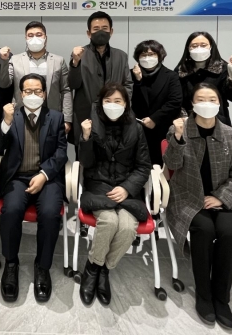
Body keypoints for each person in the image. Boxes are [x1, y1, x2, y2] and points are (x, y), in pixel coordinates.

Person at [164, 83, 232, 329]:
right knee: (203, 230)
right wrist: (178, 138)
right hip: (188, 197)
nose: (206, 103)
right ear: (192, 104)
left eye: (212, 99)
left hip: (224, 200)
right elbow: (171, 164)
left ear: (219, 103)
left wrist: (221, 198)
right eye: (201, 99)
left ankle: (221, 297)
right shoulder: (179, 129)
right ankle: (204, 295)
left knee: (229, 232)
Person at [0, 74, 67, 303]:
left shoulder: (56, 117)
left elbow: (61, 152)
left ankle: (42, 267)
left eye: (37, 91)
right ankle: (11, 263)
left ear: (44, 94)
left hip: (47, 178)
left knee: (50, 213)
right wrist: (5, 123)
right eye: (28, 91)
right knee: (11, 210)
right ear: (21, 93)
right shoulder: (11, 116)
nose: (32, 95)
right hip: (17, 177)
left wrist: (44, 175)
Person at [77, 82, 151, 307]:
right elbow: (86, 163)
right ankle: (92, 268)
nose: (112, 105)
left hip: (127, 190)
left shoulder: (136, 128)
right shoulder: (92, 124)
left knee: (128, 228)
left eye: (117, 101)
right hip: (99, 186)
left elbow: (143, 166)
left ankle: (104, 269)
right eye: (107, 101)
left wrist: (127, 187)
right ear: (100, 103)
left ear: (126, 104)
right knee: (109, 221)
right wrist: (86, 138)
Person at [68, 11, 132, 145]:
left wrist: (119, 105)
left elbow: (128, 84)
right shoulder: (80, 55)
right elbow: (73, 84)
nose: (101, 32)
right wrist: (75, 63)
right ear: (89, 33)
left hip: (115, 116)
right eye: (96, 29)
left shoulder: (121, 56)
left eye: (104, 28)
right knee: (86, 151)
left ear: (111, 31)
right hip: (85, 116)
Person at [0, 21, 72, 134]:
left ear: (45, 38)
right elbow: (3, 83)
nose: (34, 38)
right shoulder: (15, 60)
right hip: (22, 115)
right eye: (30, 35)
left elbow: (65, 90)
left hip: (51, 114)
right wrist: (3, 60)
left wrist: (66, 119)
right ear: (26, 38)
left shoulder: (58, 61)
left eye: (39, 35)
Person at [174, 31, 232, 126]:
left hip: (219, 121)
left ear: (211, 47)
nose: (199, 48)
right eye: (194, 46)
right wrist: (183, 118)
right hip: (190, 121)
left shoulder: (222, 68)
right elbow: (176, 100)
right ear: (188, 48)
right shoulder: (181, 70)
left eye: (203, 45)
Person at [131, 40, 182, 165]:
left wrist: (154, 119)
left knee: (159, 165)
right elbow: (127, 99)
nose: (147, 58)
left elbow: (175, 102)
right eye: (143, 55)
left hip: (161, 128)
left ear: (160, 56)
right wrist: (138, 81)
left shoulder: (171, 76)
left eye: (151, 54)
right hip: (136, 128)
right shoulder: (130, 74)